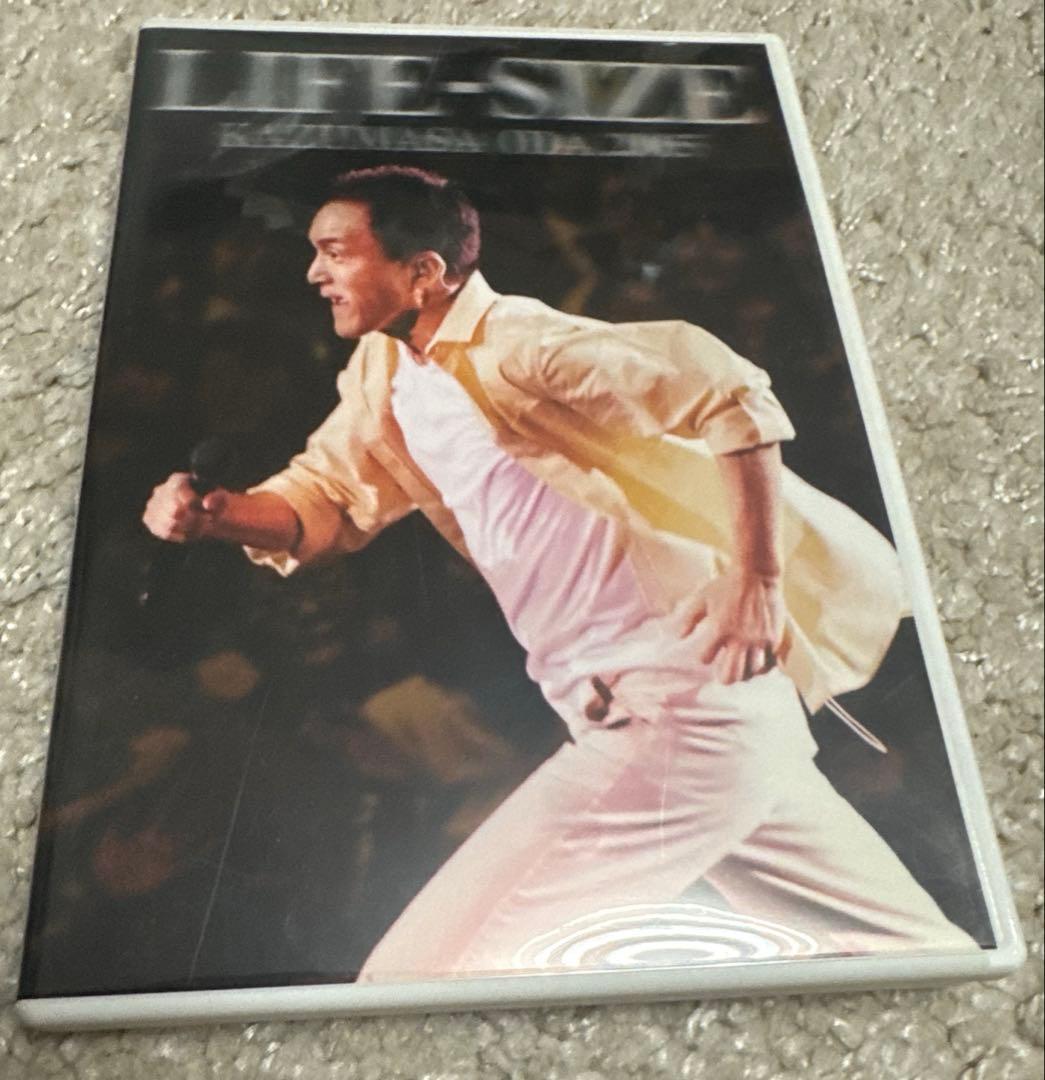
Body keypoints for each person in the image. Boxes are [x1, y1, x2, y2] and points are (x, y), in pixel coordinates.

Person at [143, 166, 974, 980]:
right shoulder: (386, 373)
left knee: (418, 979)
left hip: (676, 711)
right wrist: (218, 515)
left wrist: (756, 580)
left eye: (334, 252)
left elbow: (728, 392)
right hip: (686, 717)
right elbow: (324, 498)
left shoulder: (517, 345)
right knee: (907, 954)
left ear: (423, 272)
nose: (313, 273)